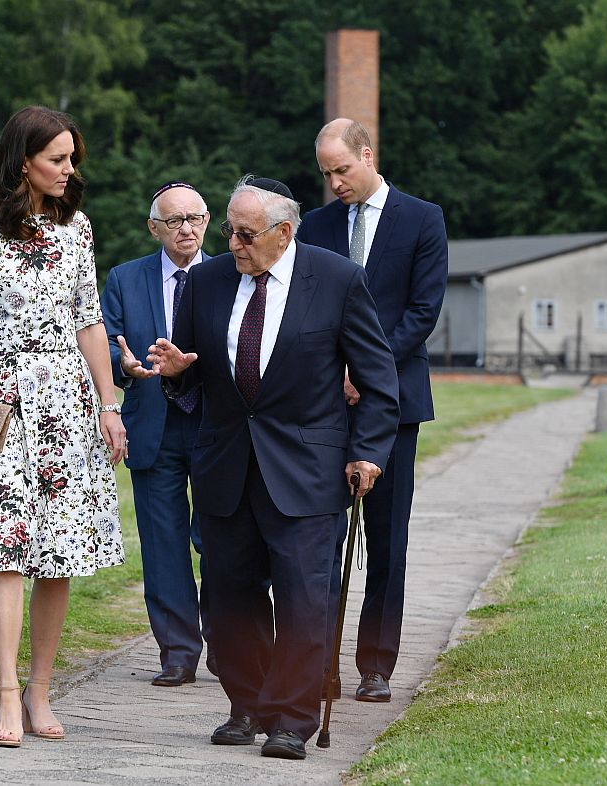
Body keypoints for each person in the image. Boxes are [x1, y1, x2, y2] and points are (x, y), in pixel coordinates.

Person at [146, 175, 399, 760]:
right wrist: (179, 370)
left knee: (306, 598)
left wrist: (367, 452)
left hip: (308, 469)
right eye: (230, 230)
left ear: (283, 233)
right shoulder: (207, 282)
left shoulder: (335, 280)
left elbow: (379, 382)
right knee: (229, 600)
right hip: (226, 466)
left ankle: (291, 716)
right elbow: (188, 377)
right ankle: (250, 701)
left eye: (244, 233)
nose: (230, 243)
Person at [0, 106, 127, 748]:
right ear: (23, 162)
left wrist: (108, 403)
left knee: (59, 555)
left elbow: (89, 320)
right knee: (8, 552)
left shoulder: (78, 230)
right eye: (58, 159)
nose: (70, 171)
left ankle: (42, 691)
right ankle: (8, 696)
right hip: (6, 402)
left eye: (74, 159)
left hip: (67, 406)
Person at [297, 118, 448, 703]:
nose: (335, 183)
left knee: (386, 540)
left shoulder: (421, 219)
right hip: (326, 404)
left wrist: (366, 368)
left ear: (367, 155)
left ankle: (376, 665)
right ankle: (321, 661)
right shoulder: (315, 226)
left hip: (394, 404)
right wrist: (334, 370)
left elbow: (423, 310)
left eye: (342, 170)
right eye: (326, 174)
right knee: (322, 540)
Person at [100, 181, 213, 687]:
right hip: (153, 425)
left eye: (194, 218)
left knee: (220, 541)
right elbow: (102, 342)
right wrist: (121, 366)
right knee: (163, 542)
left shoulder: (231, 274)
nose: (185, 229)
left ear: (208, 221)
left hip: (217, 427)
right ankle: (178, 652)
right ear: (154, 228)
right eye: (173, 221)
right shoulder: (126, 279)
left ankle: (230, 645)